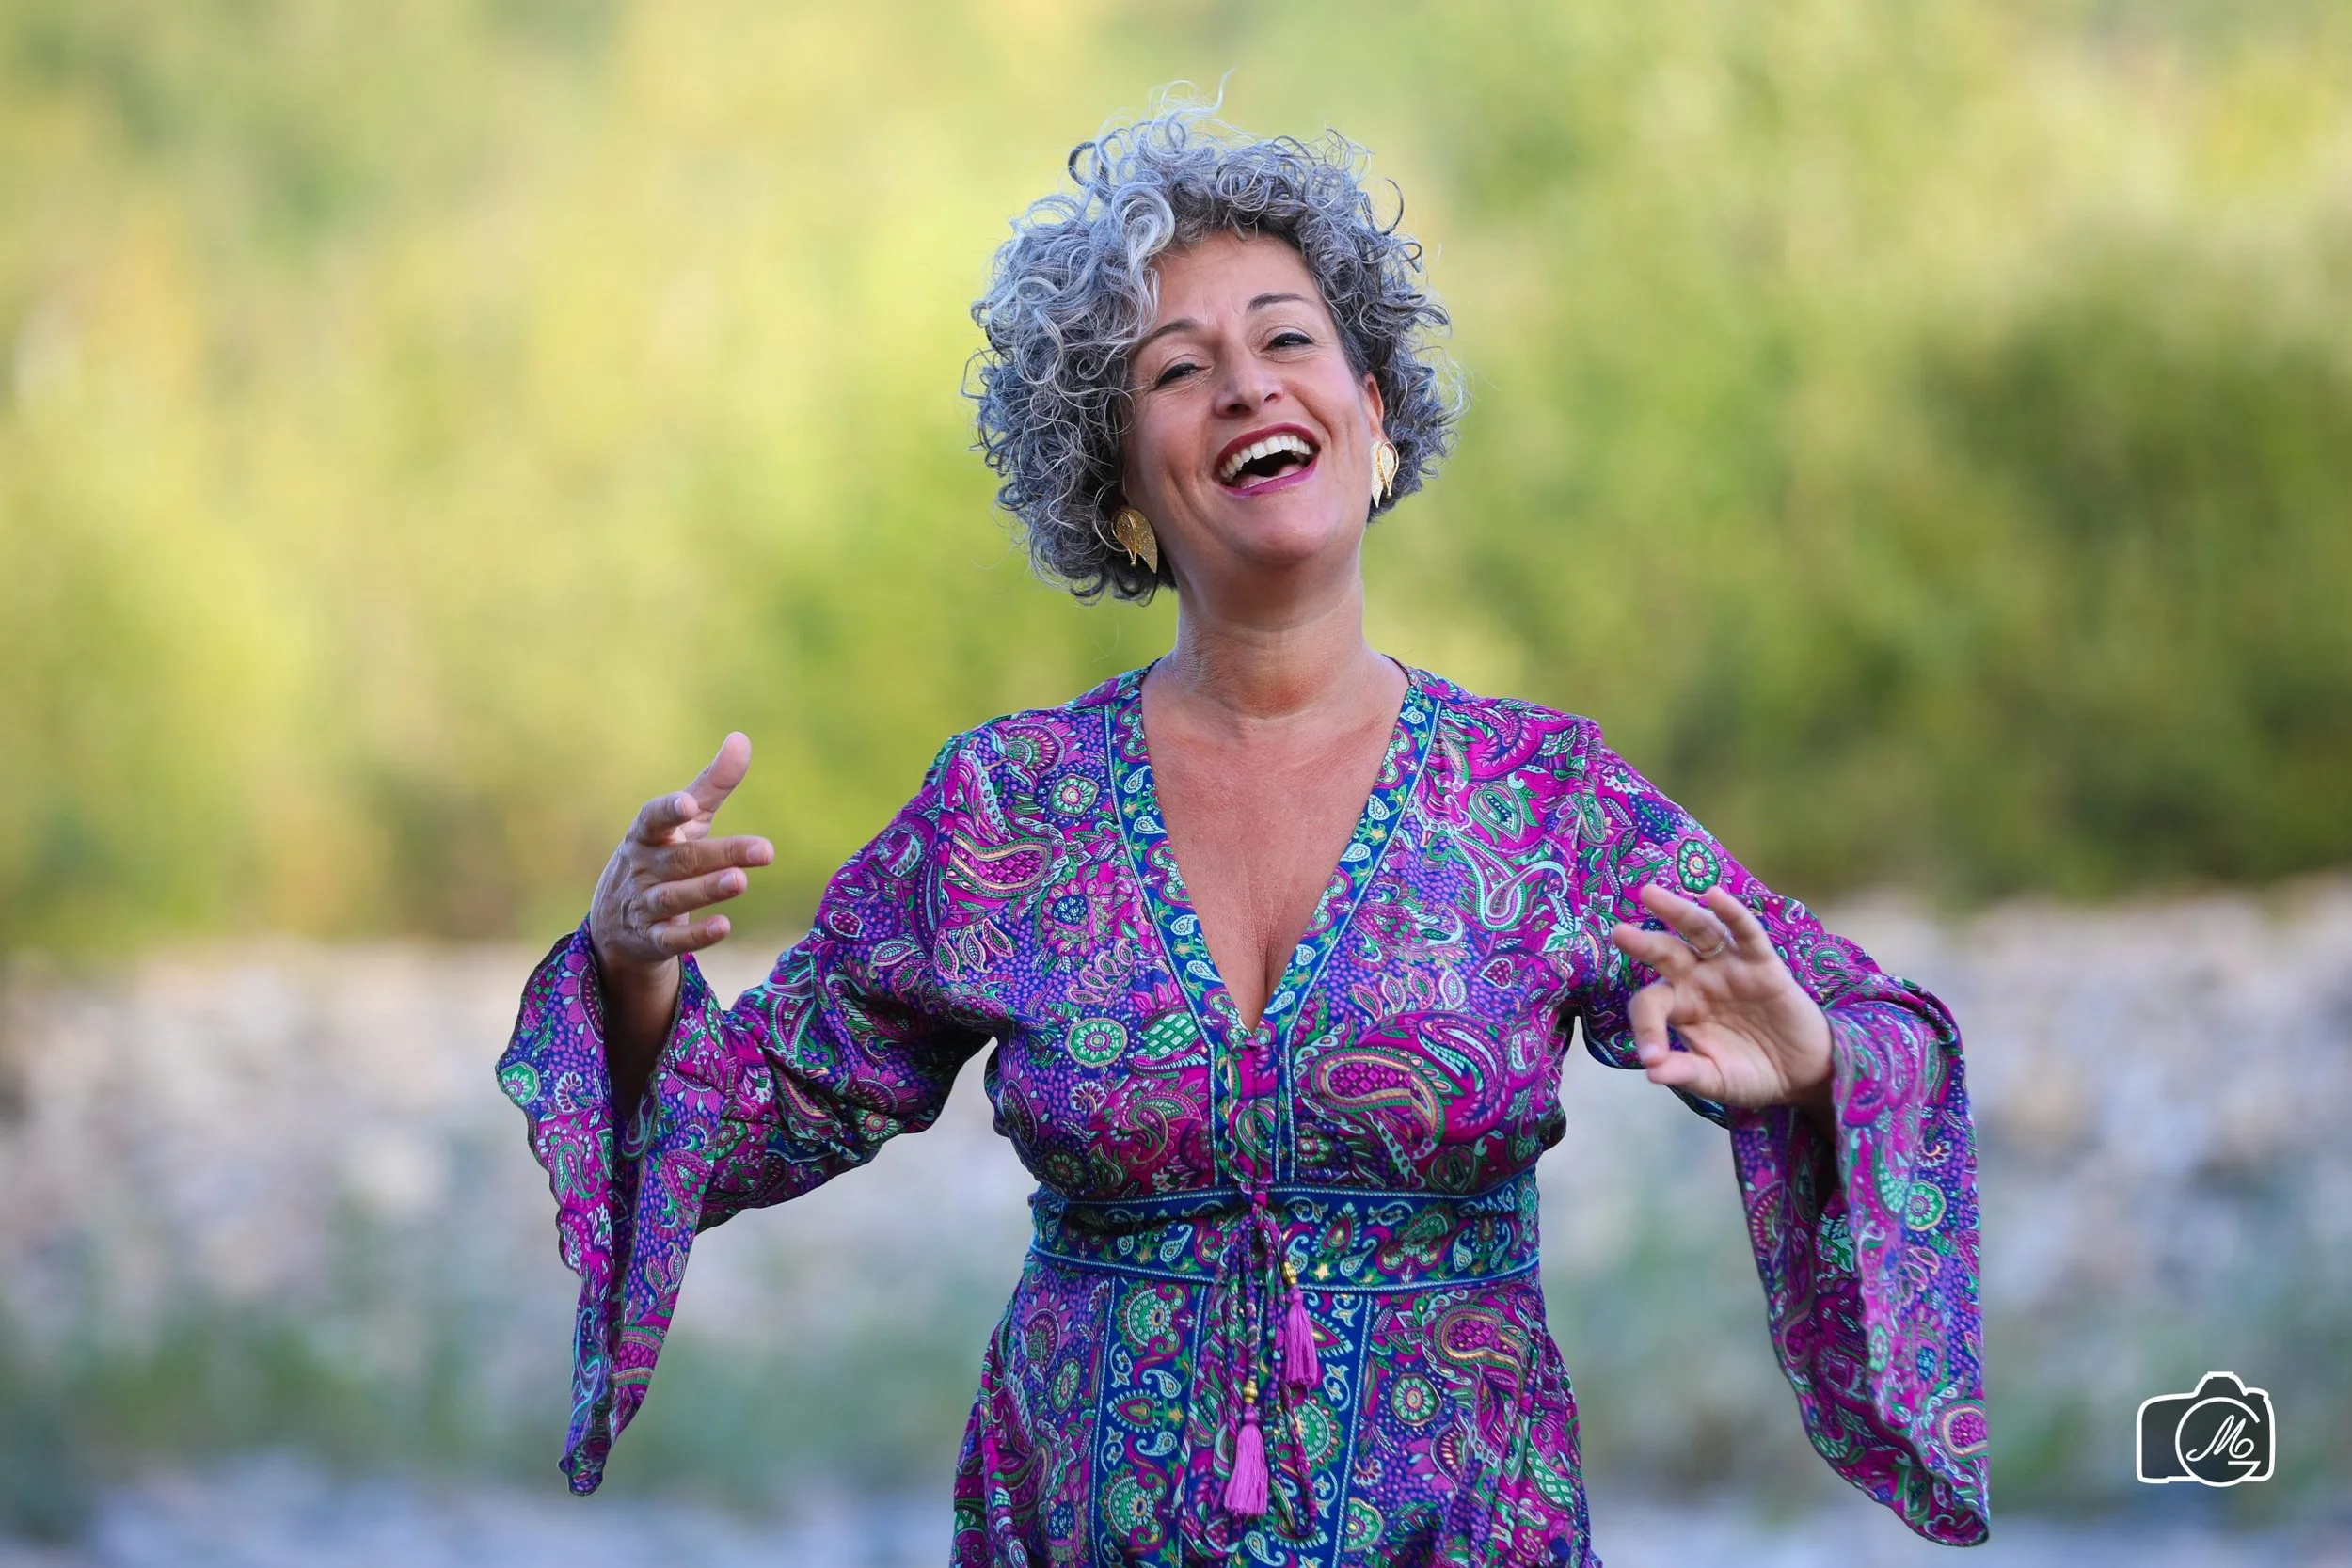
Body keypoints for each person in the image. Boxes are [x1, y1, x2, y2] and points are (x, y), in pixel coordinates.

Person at [497, 103, 1988, 1565]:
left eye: (1287, 340)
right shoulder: (1010, 807)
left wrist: (1820, 1067)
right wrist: (630, 962)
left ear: (1374, 411)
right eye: (1177, 368)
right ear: (1118, 488)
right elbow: (737, 1116)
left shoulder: (1543, 798)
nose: (1246, 386)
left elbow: (1883, 1028)